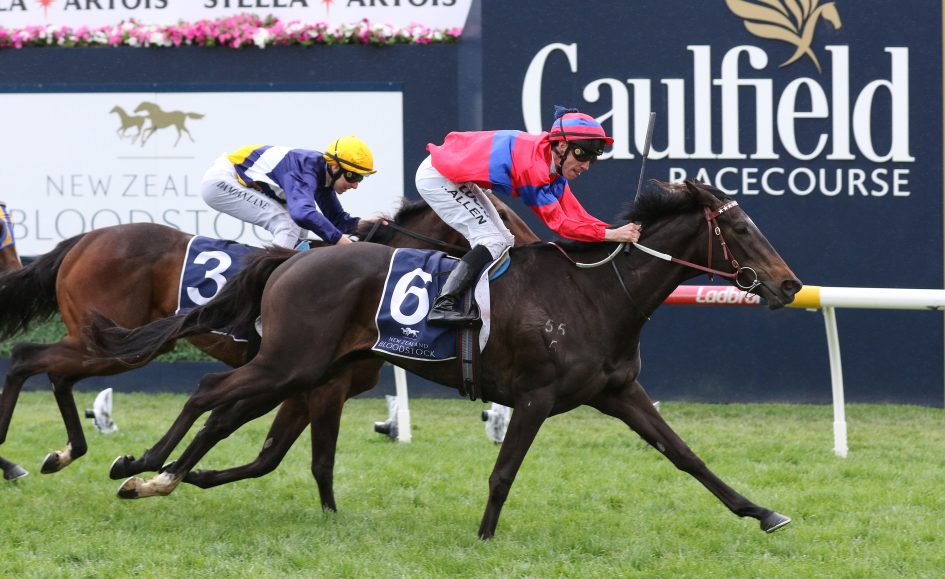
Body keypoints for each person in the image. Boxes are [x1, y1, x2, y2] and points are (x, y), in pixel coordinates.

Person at [416, 106, 642, 325]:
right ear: (562, 145)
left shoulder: (552, 164)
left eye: (592, 158)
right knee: (492, 241)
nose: (586, 166)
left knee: (504, 241)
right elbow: (561, 225)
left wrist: (616, 232)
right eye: (582, 155)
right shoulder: (533, 168)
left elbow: (576, 214)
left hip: (456, 177)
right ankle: (442, 305)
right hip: (438, 177)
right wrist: (611, 235)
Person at [200, 137, 376, 249]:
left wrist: (366, 224)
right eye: (353, 176)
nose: (355, 185)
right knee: (288, 224)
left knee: (300, 232)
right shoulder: (306, 170)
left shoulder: (324, 173)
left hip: (238, 180)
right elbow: (302, 213)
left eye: (360, 179)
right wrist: (340, 240)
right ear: (335, 167)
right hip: (222, 181)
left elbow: (337, 221)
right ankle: (262, 287)